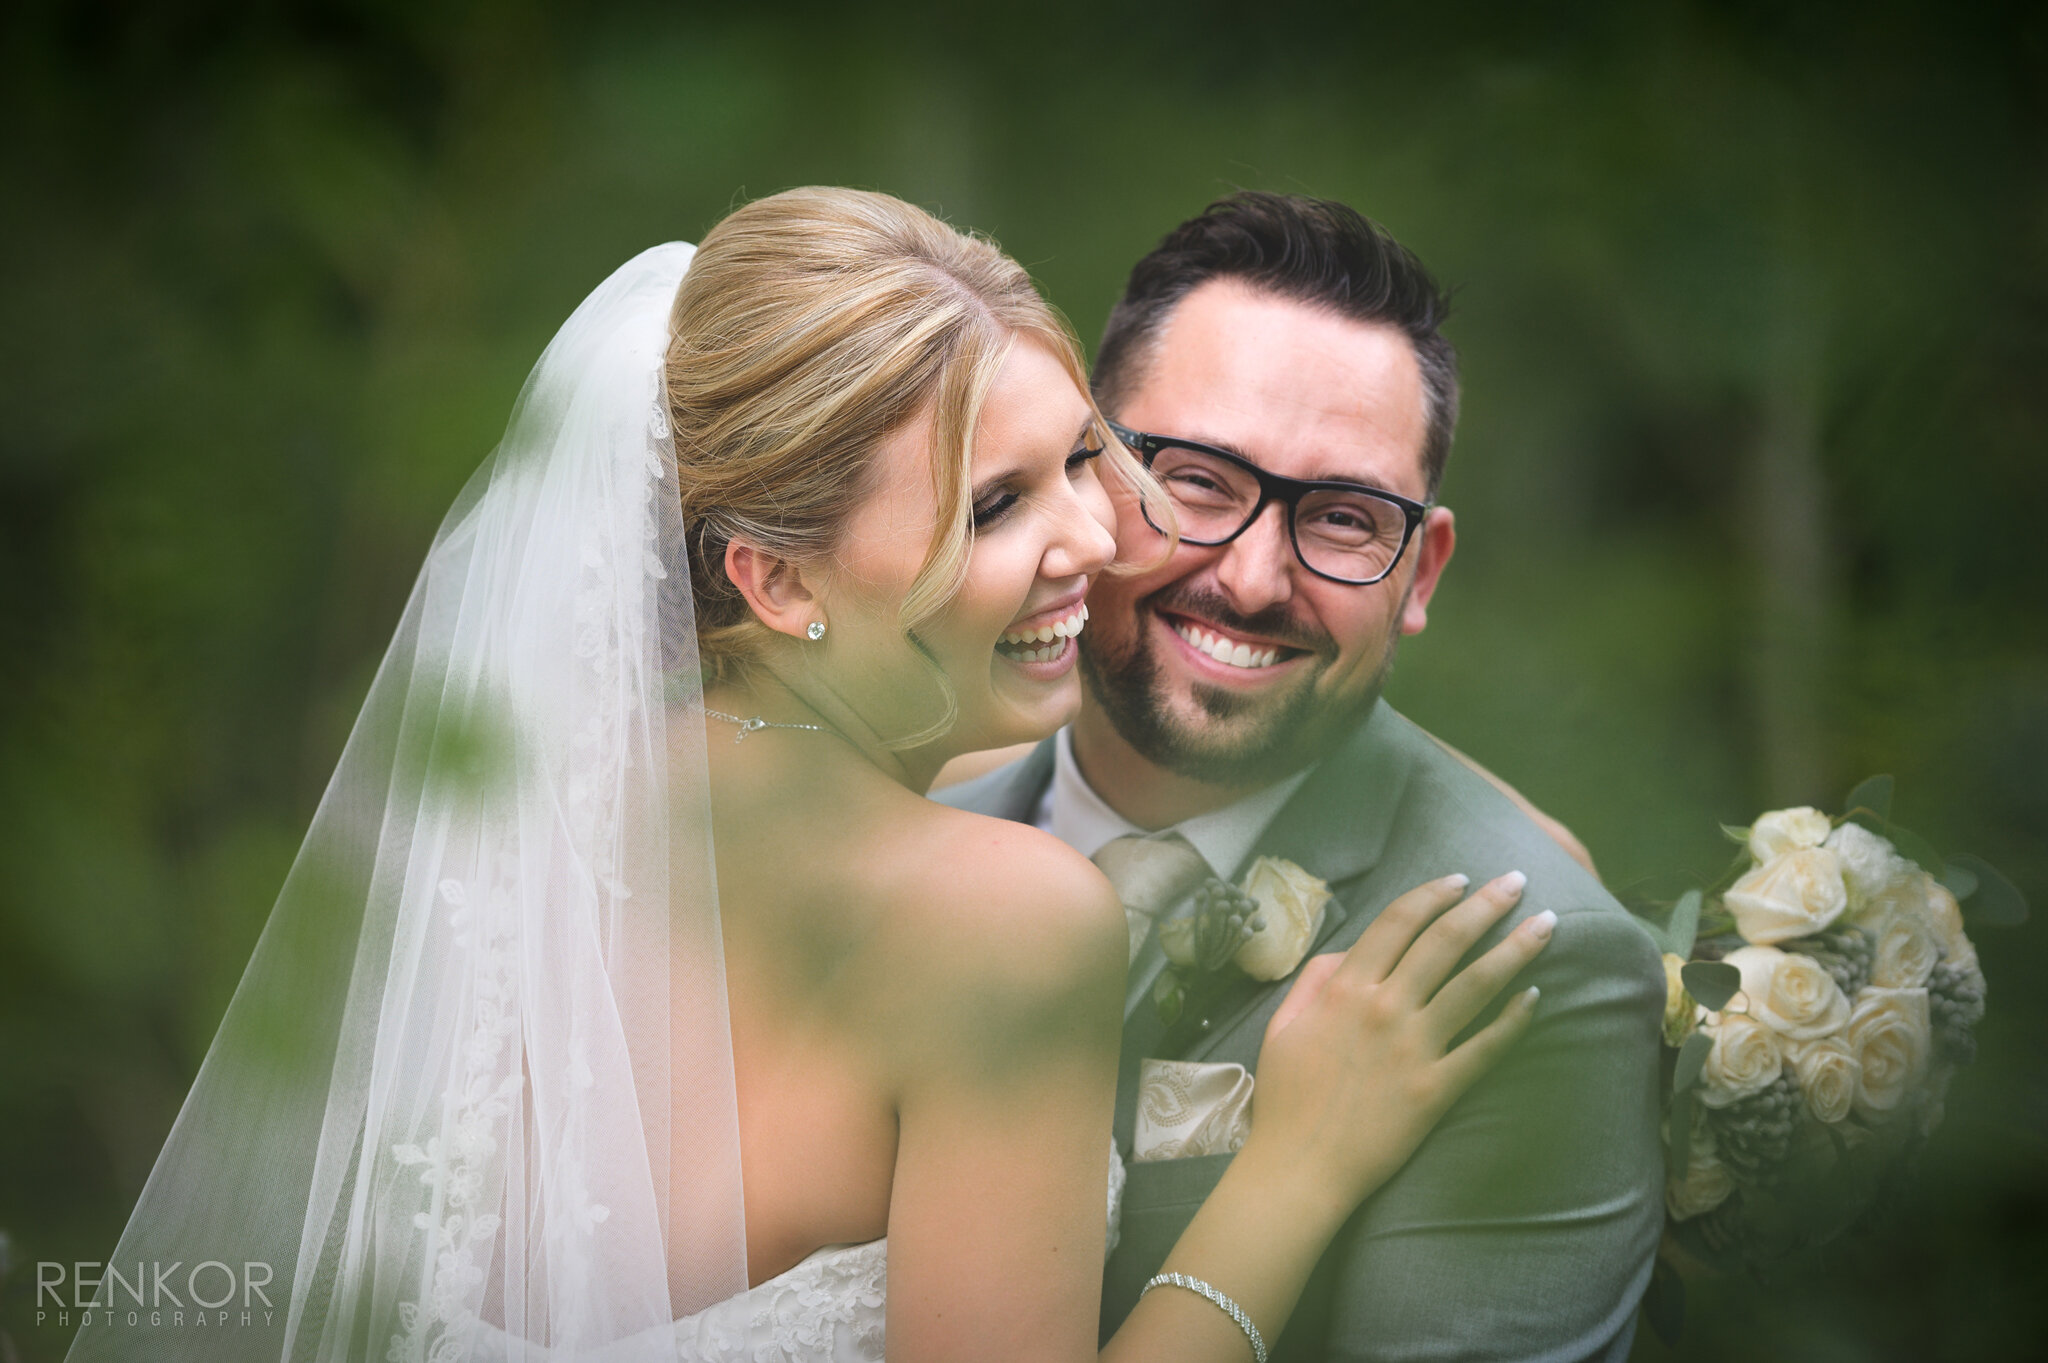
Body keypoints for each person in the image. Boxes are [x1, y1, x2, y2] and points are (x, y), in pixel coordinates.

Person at [67, 188, 1552, 1363]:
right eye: (994, 507)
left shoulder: (527, 801)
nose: (1097, 539)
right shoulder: (1006, 921)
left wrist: (1476, 816)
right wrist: (1293, 1172)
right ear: (774, 582)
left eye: (1079, 460)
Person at [940, 193, 1670, 1361]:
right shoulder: (903, 823)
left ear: (1418, 571)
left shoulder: (1531, 963)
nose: (1249, 579)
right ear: (1082, 473)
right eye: (1196, 481)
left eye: (1340, 518)